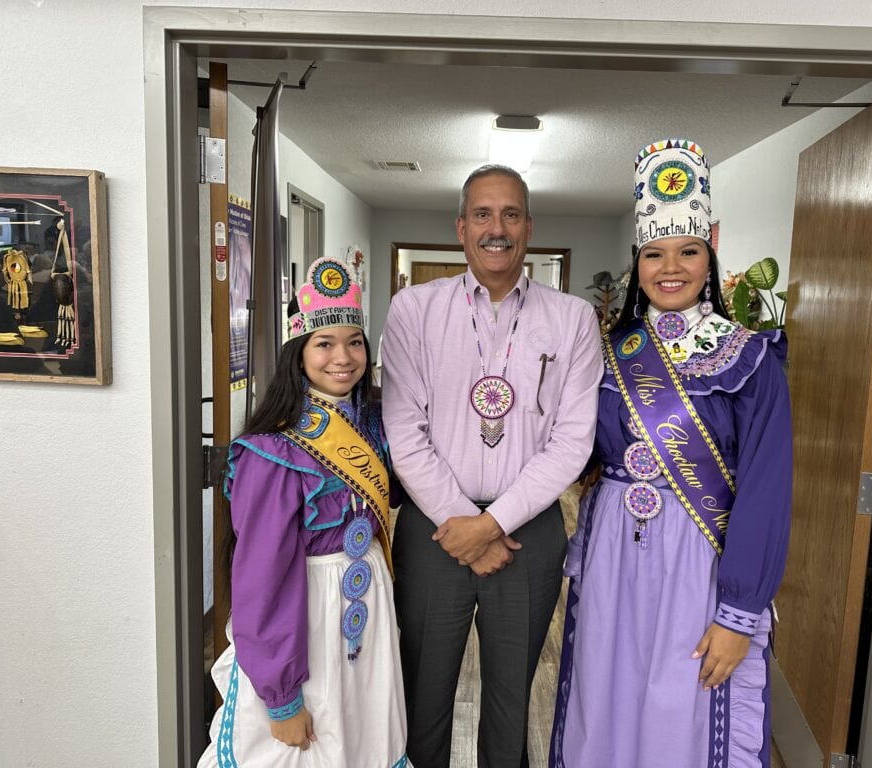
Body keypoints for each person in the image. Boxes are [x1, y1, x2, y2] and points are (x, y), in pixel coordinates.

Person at [549, 139, 793, 767]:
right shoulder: (607, 352)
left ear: (710, 253)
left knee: (681, 708)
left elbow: (766, 488)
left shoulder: (751, 359)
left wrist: (739, 614)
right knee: (603, 700)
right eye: (654, 253)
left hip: (701, 559)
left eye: (687, 251)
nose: (670, 267)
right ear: (638, 262)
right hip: (610, 553)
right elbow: (571, 448)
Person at [381, 165, 603, 767]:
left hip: (527, 533)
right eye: (482, 214)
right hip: (435, 531)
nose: (496, 228)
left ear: (529, 227)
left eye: (510, 215)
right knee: (421, 696)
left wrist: (495, 522)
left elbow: (573, 439)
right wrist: (465, 524)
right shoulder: (414, 311)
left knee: (511, 704)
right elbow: (404, 429)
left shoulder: (573, 319)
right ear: (461, 227)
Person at [199, 257, 408, 768]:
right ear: (298, 354)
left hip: (365, 614)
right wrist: (281, 695)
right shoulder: (273, 450)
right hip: (304, 623)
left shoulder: (375, 423)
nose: (344, 357)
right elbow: (263, 577)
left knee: (360, 742)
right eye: (325, 344)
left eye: (355, 342)